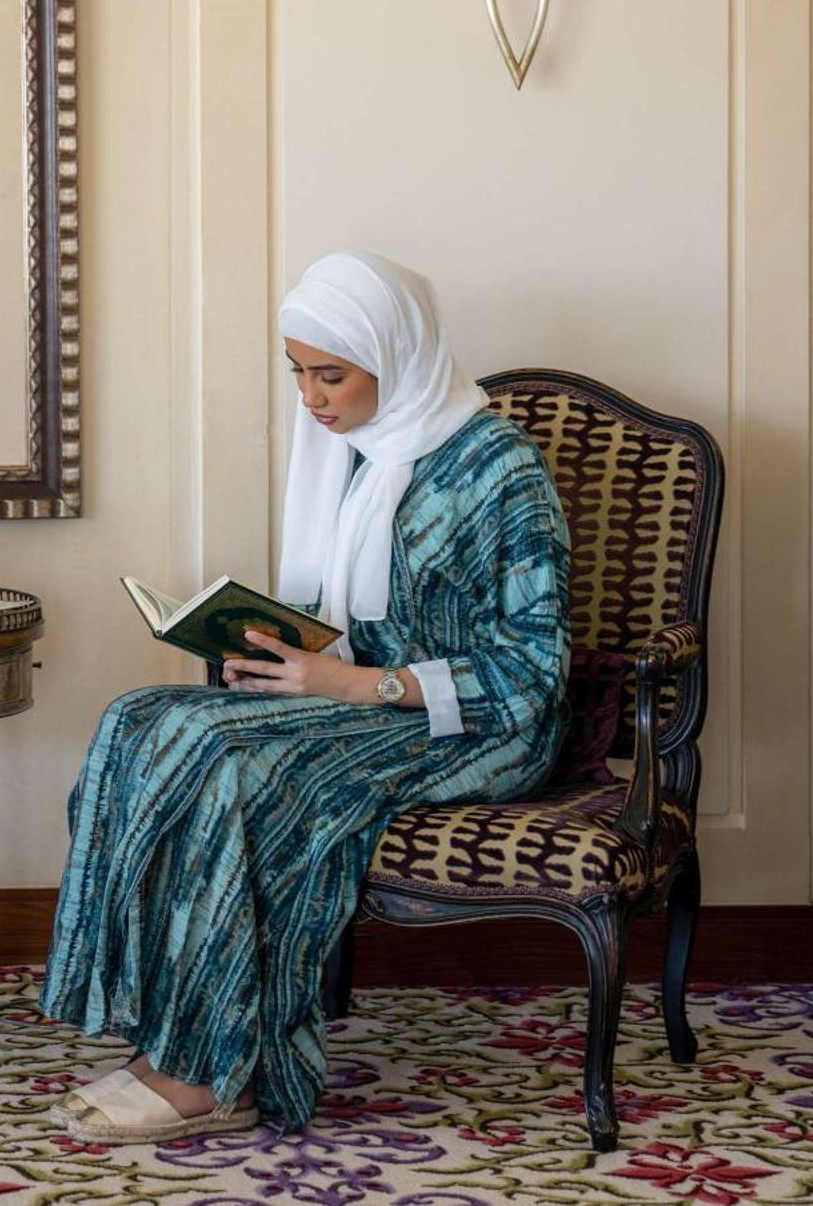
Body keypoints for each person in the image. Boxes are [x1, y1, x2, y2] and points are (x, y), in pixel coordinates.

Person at [39, 250, 571, 1144]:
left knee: (228, 760)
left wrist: (344, 682)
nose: (311, 398)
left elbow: (533, 671)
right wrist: (281, 652)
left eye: (332, 375)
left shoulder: (500, 471)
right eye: (298, 373)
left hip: (479, 724)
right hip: (361, 698)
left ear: (396, 362)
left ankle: (216, 1073)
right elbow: (359, 619)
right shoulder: (361, 457)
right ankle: (174, 1032)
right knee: (139, 720)